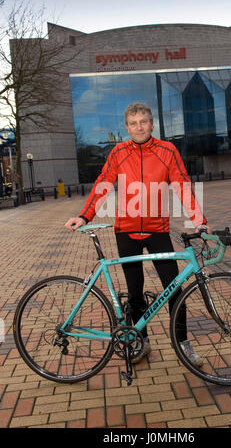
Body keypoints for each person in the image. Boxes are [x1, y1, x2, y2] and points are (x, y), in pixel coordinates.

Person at [65, 102, 211, 364]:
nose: (139, 127)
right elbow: (103, 184)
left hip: (157, 231)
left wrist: (199, 221)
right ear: (127, 127)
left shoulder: (167, 150)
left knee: (174, 290)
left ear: (152, 124)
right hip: (126, 231)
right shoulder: (118, 152)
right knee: (134, 293)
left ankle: (184, 344)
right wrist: (85, 215)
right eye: (133, 123)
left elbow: (183, 185)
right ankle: (141, 342)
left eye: (143, 122)